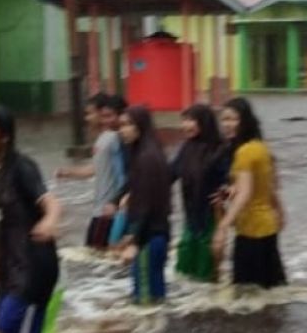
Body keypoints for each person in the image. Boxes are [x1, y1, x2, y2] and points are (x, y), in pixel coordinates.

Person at [0, 105, 62, 333]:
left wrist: (49, 220)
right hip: (10, 266)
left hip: (34, 266)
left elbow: (52, 203)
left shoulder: (23, 167)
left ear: (5, 137)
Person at [214, 97, 287, 289]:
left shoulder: (244, 153)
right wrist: (280, 212)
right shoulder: (261, 147)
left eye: (233, 119)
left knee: (245, 295)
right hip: (268, 228)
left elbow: (245, 193)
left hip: (250, 232)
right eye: (224, 119)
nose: (227, 125)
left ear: (245, 121)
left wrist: (223, 226)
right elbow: (269, 187)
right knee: (271, 290)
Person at [117, 106, 172, 305]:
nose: (123, 130)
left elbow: (145, 205)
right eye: (121, 125)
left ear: (141, 127)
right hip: (157, 236)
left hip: (148, 239)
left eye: (128, 125)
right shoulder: (149, 152)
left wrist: (134, 241)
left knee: (145, 304)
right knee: (156, 300)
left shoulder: (146, 158)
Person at [171, 103, 230, 282]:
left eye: (191, 120)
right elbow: (170, 174)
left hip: (211, 214)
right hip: (190, 215)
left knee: (208, 263)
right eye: (184, 121)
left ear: (204, 122)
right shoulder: (186, 148)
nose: (185, 126)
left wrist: (225, 191)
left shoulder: (221, 149)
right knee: (185, 258)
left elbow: (232, 178)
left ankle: (212, 302)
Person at [57, 94, 125, 250]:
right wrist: (68, 173)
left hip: (108, 210)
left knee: (98, 252)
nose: (87, 118)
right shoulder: (102, 139)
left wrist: (117, 203)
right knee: (95, 251)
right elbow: (95, 169)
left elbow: (125, 173)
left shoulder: (113, 138)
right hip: (100, 209)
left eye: (90, 113)